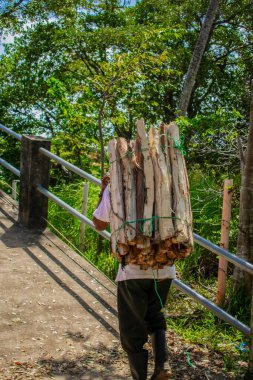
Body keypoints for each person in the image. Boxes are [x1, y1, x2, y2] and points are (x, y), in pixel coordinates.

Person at [93, 175, 176, 380]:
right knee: (155, 315)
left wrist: (103, 191)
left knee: (132, 330)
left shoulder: (117, 189)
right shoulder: (167, 184)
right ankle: (162, 364)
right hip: (164, 267)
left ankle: (140, 377)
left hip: (133, 269)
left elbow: (99, 224)